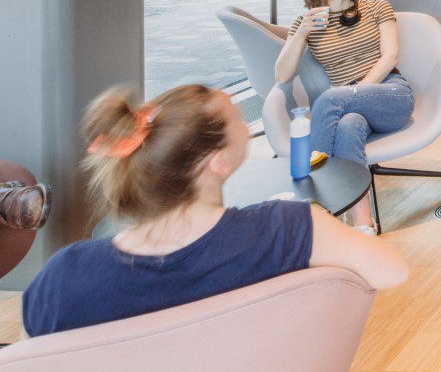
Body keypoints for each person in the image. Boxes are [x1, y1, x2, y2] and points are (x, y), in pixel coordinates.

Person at [22, 83, 406, 337]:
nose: (243, 122)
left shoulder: (62, 278)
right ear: (218, 161)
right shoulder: (288, 229)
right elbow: (392, 270)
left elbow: (34, 363)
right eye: (237, 116)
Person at [274, 0, 414, 231]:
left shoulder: (377, 7)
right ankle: (363, 226)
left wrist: (354, 91)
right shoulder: (307, 23)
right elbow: (282, 75)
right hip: (349, 107)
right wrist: (301, 33)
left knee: (329, 98)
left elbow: (390, 57)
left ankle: (314, 203)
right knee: (348, 126)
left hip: (390, 93)